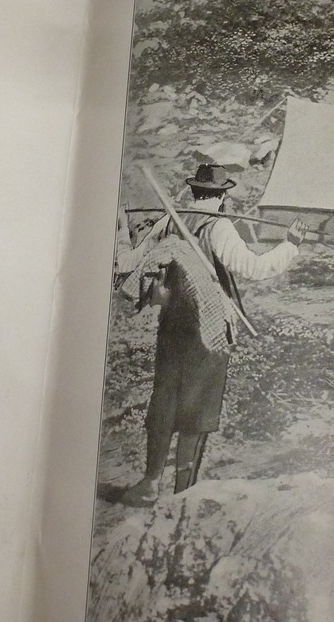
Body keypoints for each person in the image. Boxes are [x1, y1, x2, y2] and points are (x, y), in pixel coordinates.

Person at [119, 164, 303, 506]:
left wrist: (118, 230)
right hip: (209, 330)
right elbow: (253, 268)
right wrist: (290, 245)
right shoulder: (218, 227)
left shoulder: (172, 220)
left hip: (172, 324)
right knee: (196, 411)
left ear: (194, 191)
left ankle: (149, 483)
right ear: (221, 196)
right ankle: (183, 494)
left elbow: (132, 259)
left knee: (165, 402)